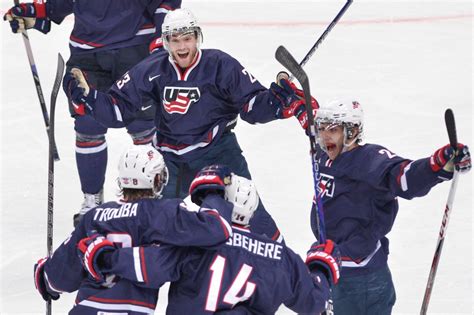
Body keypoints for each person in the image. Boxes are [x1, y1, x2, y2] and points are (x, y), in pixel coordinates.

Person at [61, 8, 318, 241]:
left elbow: (252, 107)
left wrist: (276, 102)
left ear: (197, 38)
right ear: (165, 42)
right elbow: (118, 109)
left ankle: (286, 273)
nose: (182, 46)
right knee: (148, 225)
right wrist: (89, 99)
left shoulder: (220, 65)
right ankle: (120, 273)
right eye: (174, 39)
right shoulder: (152, 68)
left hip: (218, 152)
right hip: (170, 160)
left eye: (187, 38)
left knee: (251, 217)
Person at [4, 0, 181, 225]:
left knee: (143, 128)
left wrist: (162, 36)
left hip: (135, 49)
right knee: (88, 125)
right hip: (87, 53)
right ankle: (92, 199)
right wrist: (39, 11)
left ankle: (152, 197)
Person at [77, 174, 342, 314]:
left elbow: (150, 267)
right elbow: (313, 303)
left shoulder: (196, 243)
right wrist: (322, 269)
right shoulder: (281, 257)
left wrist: (105, 258)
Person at [300, 98, 471, 314]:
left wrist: (438, 164)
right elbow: (310, 129)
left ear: (351, 132)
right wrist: (296, 101)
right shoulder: (325, 154)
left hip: (362, 279)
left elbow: (404, 178)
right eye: (322, 129)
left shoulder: (369, 160)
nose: (324, 136)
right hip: (334, 267)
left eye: (332, 130)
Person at [33, 145, 236, 313]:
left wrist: (44, 275)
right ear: (157, 180)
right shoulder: (162, 212)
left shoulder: (95, 216)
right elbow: (218, 229)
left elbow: (56, 279)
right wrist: (212, 194)